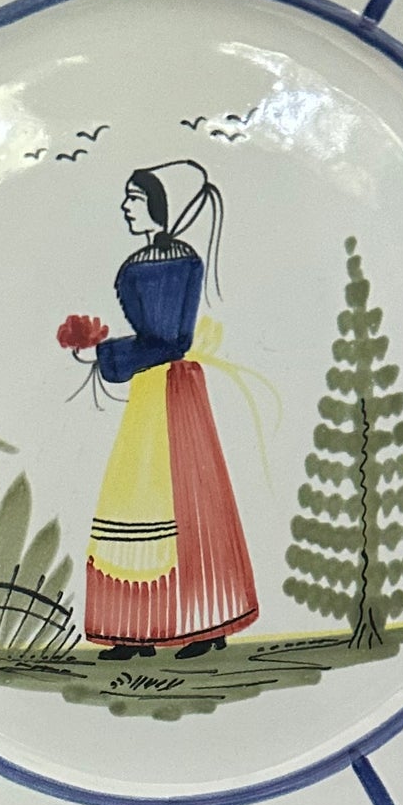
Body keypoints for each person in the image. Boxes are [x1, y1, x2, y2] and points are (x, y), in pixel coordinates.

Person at [60, 162, 258, 662]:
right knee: (142, 497)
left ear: (158, 203)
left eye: (134, 197)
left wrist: (106, 355)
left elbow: (171, 340)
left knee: (177, 499)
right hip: (154, 388)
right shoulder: (150, 262)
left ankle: (201, 626)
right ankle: (138, 631)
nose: (125, 206)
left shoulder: (172, 264)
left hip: (169, 389)